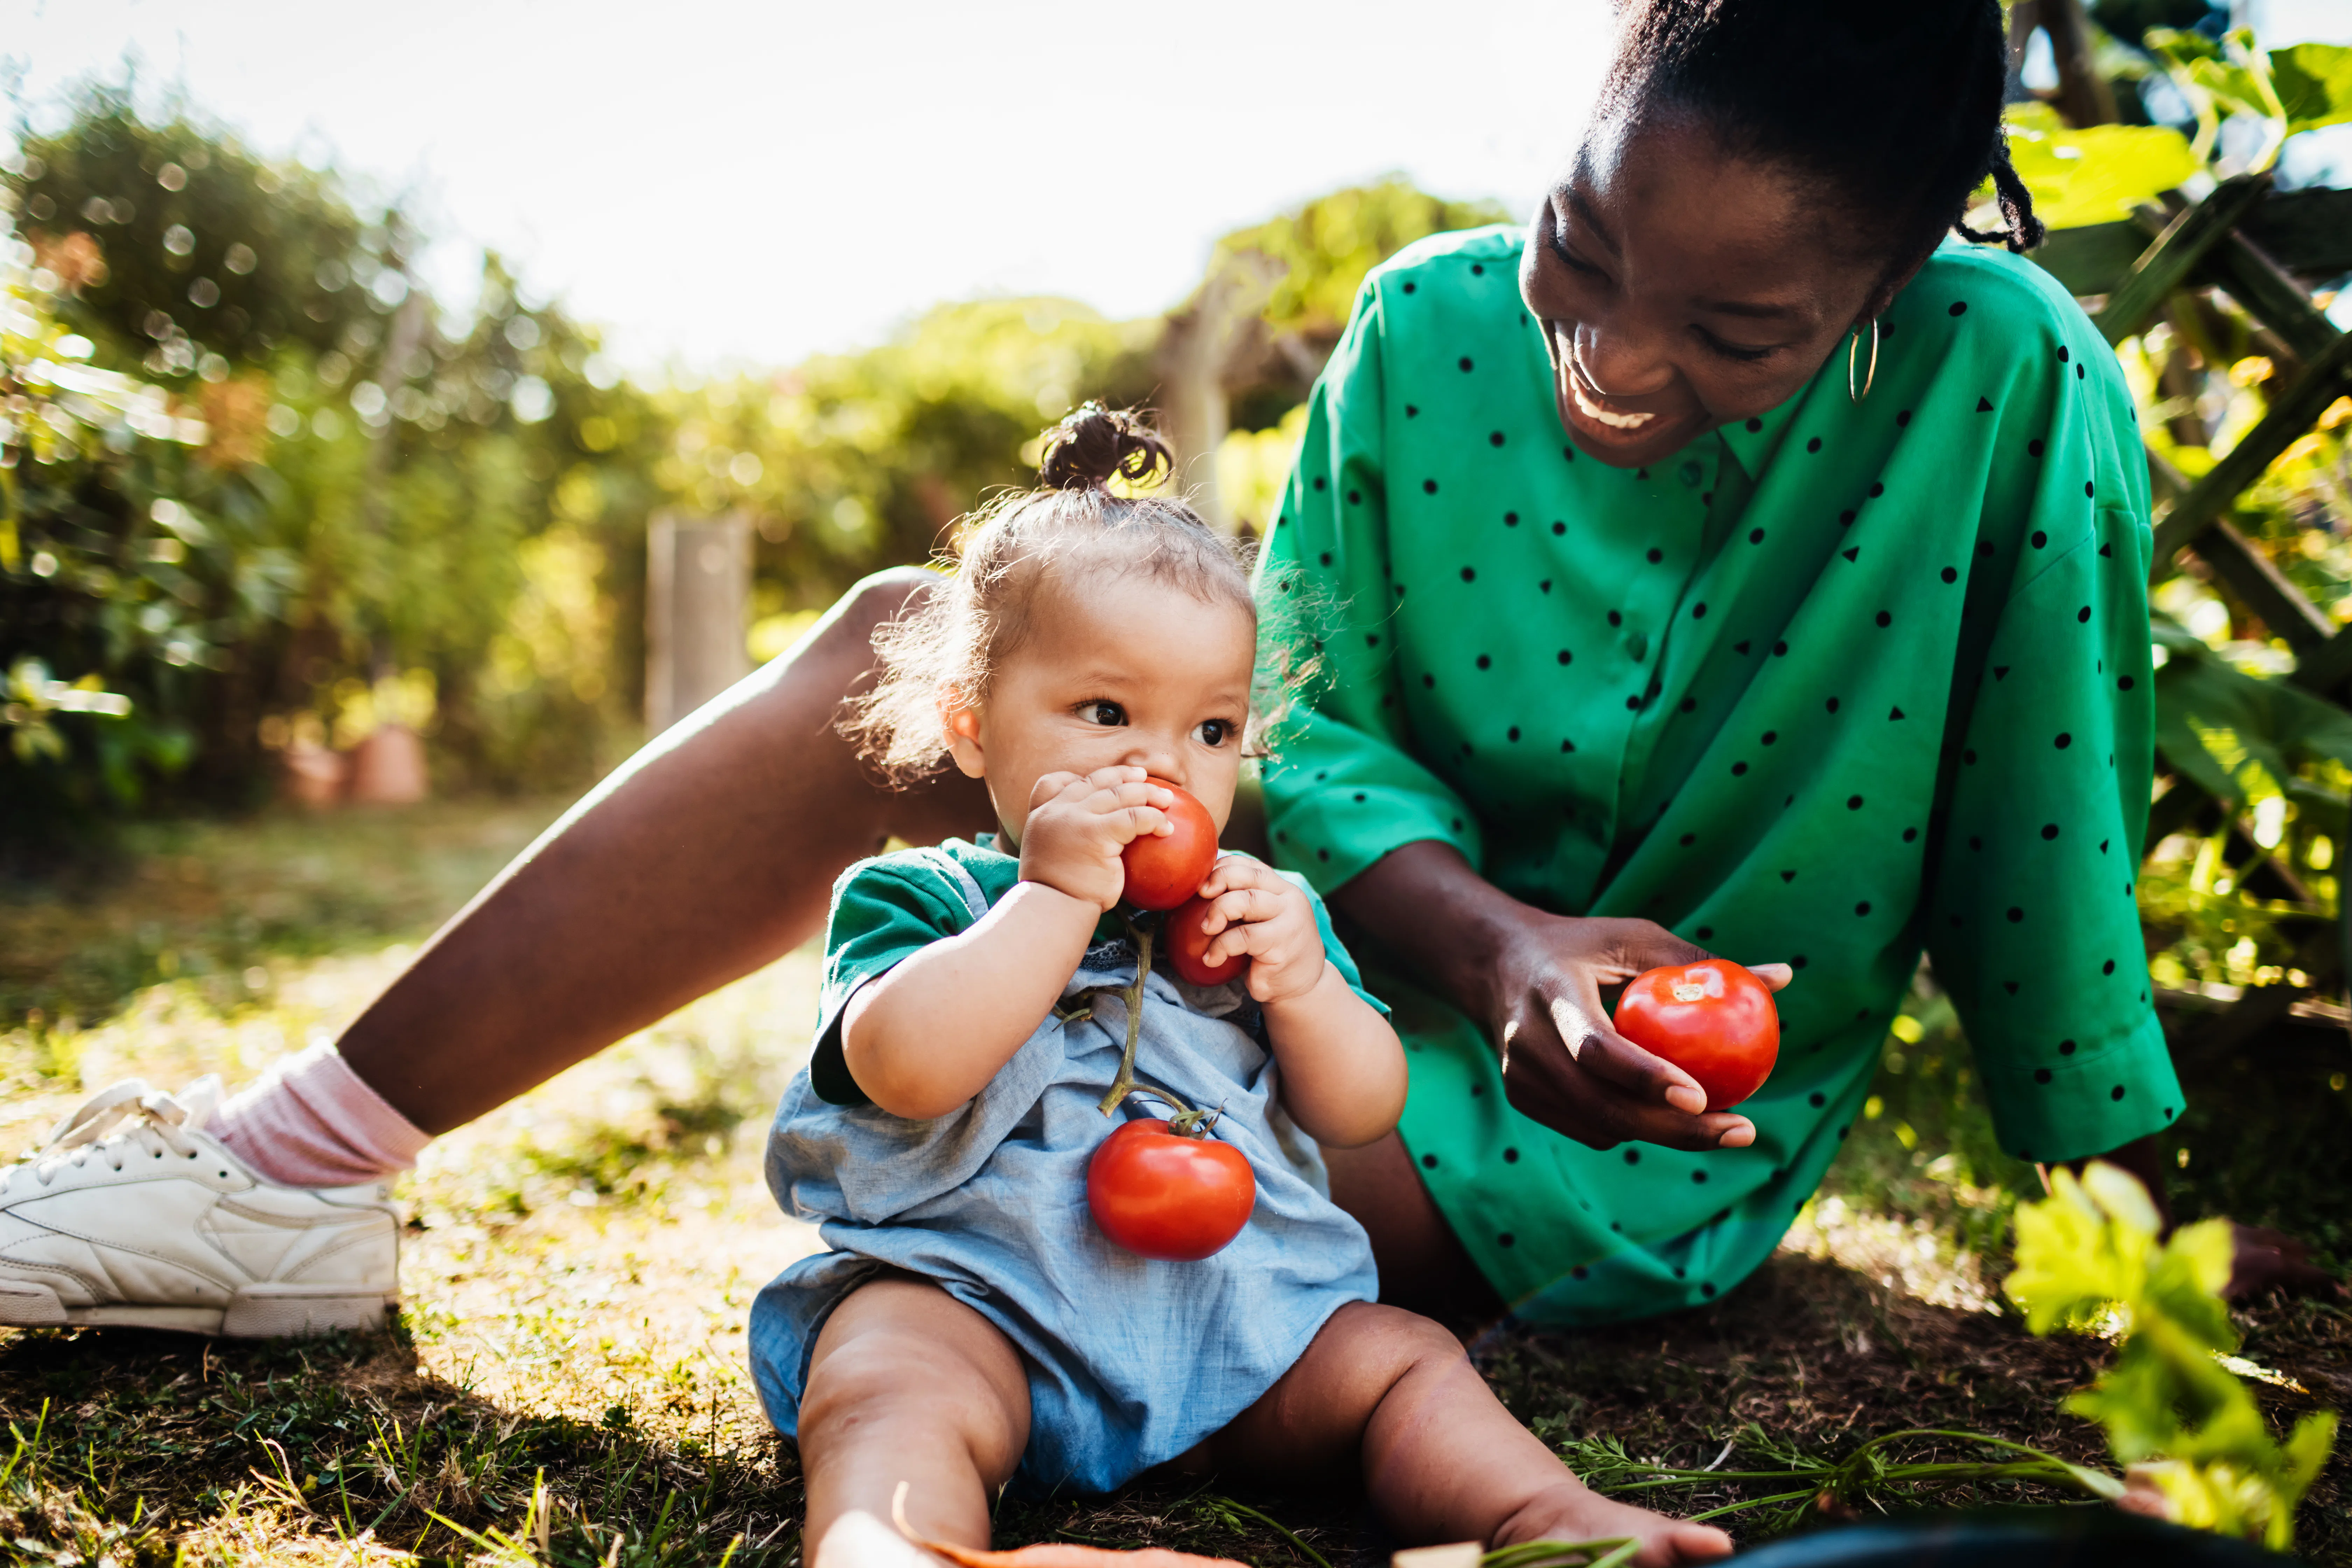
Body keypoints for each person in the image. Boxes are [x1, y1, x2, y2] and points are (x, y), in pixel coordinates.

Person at [2, 0, 2325, 1343]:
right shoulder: (1425, 328)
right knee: (917, 642)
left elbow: (2045, 823)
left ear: (1899, 282)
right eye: (1584, 246)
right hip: (1300, 941)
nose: (1616, 359)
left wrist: (2136, 1234)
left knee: (1135, 1101)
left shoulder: (2009, 376)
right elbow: (1295, 734)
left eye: (1737, 331)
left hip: (1581, 1148)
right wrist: (1489, 940)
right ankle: (292, 1176)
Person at [765, 408, 1729, 1567]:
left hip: (1234, 1326)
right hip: (977, 1307)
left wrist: (1308, 986)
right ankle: (896, 1549)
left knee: (1403, 1362)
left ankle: (1544, 1522)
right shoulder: (928, 900)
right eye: (1107, 714)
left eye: (1213, 729)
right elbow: (906, 1068)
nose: (1163, 765)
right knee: (883, 1377)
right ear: (971, 729)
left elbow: (1362, 1109)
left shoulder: (1257, 917)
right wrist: (1053, 900)